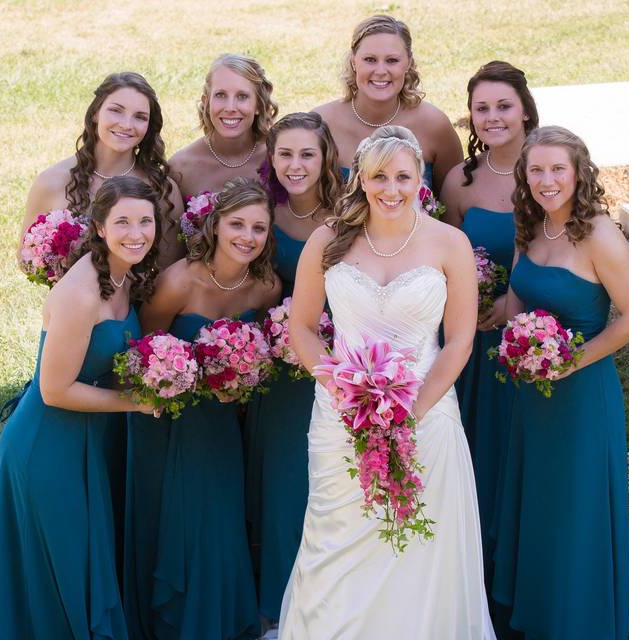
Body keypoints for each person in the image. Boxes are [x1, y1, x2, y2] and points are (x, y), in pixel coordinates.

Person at [279, 125, 493, 639]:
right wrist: (339, 387)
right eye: (379, 177)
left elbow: (460, 341)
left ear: (421, 177)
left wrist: (407, 413)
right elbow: (302, 329)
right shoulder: (329, 240)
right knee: (336, 538)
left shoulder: (449, 244)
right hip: (341, 413)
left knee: (420, 543)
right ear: (360, 179)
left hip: (425, 409)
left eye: (403, 176)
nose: (391, 189)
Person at [0, 176, 161, 639]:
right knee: (65, 564)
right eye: (122, 221)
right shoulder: (80, 294)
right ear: (99, 226)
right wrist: (136, 403)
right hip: (49, 443)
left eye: (145, 220)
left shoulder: (125, 274)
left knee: (88, 556)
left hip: (91, 434)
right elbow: (54, 390)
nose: (136, 232)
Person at [492, 126, 629, 640]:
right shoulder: (530, 225)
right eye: (535, 170)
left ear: (579, 172)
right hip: (531, 393)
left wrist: (566, 363)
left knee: (574, 508)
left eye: (557, 168)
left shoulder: (600, 235)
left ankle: (576, 620)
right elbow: (517, 298)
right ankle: (536, 610)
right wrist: (508, 334)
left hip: (581, 393)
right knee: (537, 497)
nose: (546, 180)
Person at [123, 178, 281, 640]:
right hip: (164, 421)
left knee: (218, 519)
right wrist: (174, 380)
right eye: (237, 224)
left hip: (220, 424)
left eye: (258, 228)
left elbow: (263, 362)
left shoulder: (265, 287)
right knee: (170, 518)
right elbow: (142, 354)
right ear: (214, 225)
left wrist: (243, 380)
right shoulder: (179, 282)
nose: (246, 237)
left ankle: (217, 621)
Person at [439, 60, 538, 634]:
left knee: (514, 459)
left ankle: (520, 579)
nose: (493, 117)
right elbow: (444, 255)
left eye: (504, 105)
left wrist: (513, 308)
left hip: (526, 340)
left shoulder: (550, 169)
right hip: (468, 341)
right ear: (470, 116)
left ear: (524, 108)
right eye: (482, 108)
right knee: (473, 459)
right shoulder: (462, 181)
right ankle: (473, 583)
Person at [242, 112, 343, 630]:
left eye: (307, 154)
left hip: (344, 368)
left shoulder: (352, 209)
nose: (295, 165)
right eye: (284, 154)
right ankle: (281, 602)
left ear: (326, 156)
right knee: (285, 484)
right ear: (271, 159)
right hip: (282, 372)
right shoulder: (265, 214)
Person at [18, 71, 184, 268]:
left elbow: (170, 267)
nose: (126, 124)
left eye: (140, 117)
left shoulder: (162, 189)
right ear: (96, 112)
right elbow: (26, 259)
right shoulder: (51, 182)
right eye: (116, 110)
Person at [312, 15, 462, 193]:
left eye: (392, 60)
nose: (381, 71)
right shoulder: (321, 124)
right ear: (354, 61)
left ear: (408, 63)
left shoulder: (435, 125)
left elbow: (453, 203)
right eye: (370, 59)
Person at [169, 54, 279, 200]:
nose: (230, 107)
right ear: (206, 102)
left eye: (242, 96)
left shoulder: (278, 158)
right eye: (220, 95)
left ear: (259, 104)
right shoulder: (181, 168)